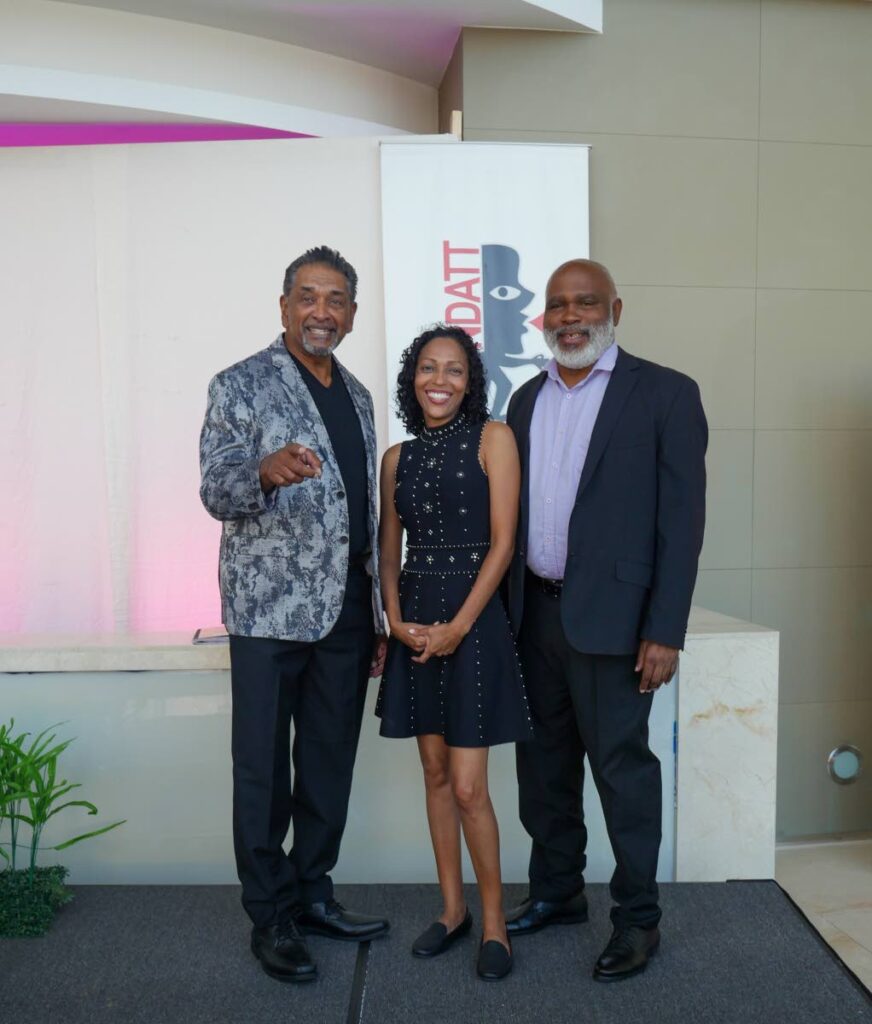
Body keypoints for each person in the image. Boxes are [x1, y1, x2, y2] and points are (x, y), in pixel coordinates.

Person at [503, 259, 707, 982]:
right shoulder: (525, 401)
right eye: (557, 305)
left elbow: (681, 525)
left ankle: (638, 920)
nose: (570, 316)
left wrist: (666, 629)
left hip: (619, 626)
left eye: (585, 302)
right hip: (534, 618)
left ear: (614, 307)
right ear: (543, 317)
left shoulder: (666, 395)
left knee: (623, 776)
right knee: (543, 773)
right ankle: (559, 893)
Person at [199, 245, 389, 983]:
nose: (322, 311)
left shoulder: (362, 395)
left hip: (344, 612)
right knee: (262, 775)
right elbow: (217, 489)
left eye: (336, 298)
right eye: (308, 296)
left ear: (351, 314)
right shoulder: (240, 384)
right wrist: (261, 473)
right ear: (284, 306)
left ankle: (313, 893)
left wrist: (374, 611)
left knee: (327, 765)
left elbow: (365, 511)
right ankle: (270, 915)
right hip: (266, 615)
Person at [376, 325, 533, 981]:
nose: (439, 381)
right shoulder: (395, 458)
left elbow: (503, 546)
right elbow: (388, 553)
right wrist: (397, 618)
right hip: (415, 620)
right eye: (428, 369)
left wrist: (459, 627)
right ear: (413, 378)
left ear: (471, 383)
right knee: (435, 775)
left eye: (455, 371)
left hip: (473, 621)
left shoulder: (495, 438)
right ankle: (451, 911)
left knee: (470, 788)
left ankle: (494, 924)